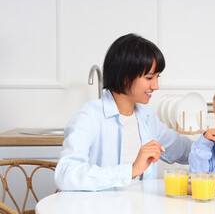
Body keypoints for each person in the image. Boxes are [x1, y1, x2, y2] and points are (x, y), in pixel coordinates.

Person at [55, 33, 192, 191]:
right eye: (149, 78)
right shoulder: (90, 116)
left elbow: (180, 149)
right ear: (126, 77)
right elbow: (66, 174)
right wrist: (131, 170)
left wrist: (212, 143)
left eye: (157, 77)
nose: (156, 86)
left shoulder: (147, 116)